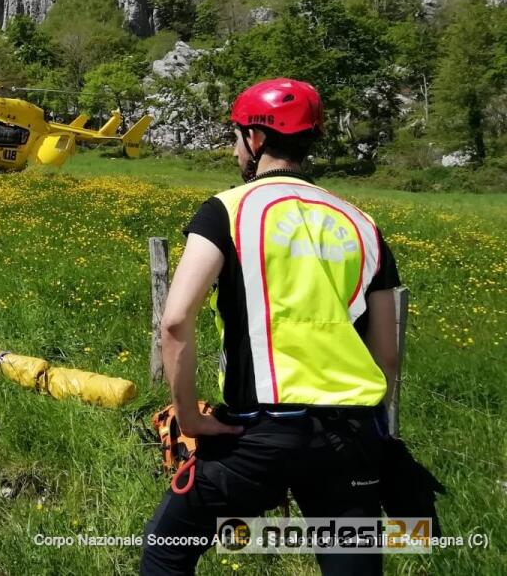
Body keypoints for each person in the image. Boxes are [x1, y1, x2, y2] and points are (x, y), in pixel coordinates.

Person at [141, 79, 402, 576]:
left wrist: (190, 420)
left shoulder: (227, 210)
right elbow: (386, 354)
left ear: (256, 140)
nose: (235, 147)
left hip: (257, 432)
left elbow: (175, 320)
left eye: (237, 136)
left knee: (167, 550)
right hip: (350, 433)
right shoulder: (361, 222)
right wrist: (364, 428)